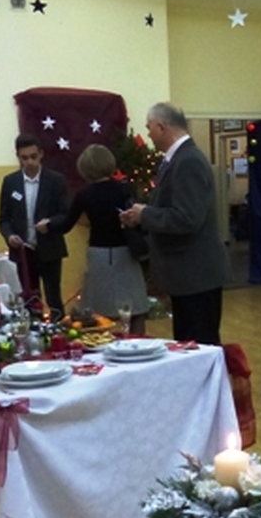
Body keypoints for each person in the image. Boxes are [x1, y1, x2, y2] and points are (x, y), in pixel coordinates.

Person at [120, 103, 229, 345]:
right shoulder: (176, 159)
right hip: (186, 277)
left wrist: (146, 214)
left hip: (196, 275)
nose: (148, 134)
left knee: (199, 346)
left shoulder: (188, 161)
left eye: (149, 128)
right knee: (187, 344)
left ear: (162, 127)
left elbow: (187, 218)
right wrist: (140, 216)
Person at [56, 144, 149, 335]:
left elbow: (66, 224)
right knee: (135, 309)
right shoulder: (124, 189)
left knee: (95, 313)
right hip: (125, 253)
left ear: (85, 168)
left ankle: (100, 345)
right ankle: (137, 342)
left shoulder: (83, 195)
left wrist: (47, 225)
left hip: (98, 254)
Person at [0, 133, 70, 317]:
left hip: (49, 249)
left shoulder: (56, 180)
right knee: (29, 300)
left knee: (54, 298)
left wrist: (50, 223)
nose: (29, 162)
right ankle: (32, 331)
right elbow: (4, 219)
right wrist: (9, 236)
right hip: (23, 251)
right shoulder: (10, 182)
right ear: (18, 157)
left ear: (41, 154)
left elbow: (65, 214)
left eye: (33, 157)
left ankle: (58, 330)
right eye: (24, 158)